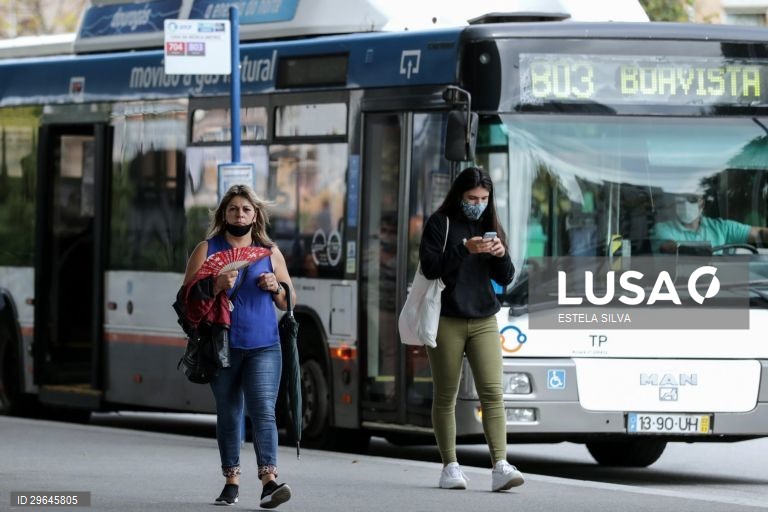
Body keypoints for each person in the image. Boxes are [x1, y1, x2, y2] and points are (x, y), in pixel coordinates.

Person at [183, 184, 296, 509]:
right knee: (230, 412)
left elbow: (289, 301)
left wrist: (277, 287)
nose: (240, 214)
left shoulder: (268, 252)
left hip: (264, 345)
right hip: (222, 346)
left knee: (263, 410)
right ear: (223, 214)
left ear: (256, 214)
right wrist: (214, 284)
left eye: (246, 209)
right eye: (233, 209)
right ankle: (231, 480)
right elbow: (186, 299)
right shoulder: (208, 249)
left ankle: (268, 481)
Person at [419, 166, 525, 492]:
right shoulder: (441, 224)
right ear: (459, 196)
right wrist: (465, 249)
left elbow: (506, 277)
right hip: (448, 319)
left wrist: (500, 253)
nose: (477, 203)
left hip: (484, 319)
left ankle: (500, 465)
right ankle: (450, 466)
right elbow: (430, 266)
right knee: (446, 394)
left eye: (483, 198)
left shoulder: (491, 226)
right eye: (471, 198)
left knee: (493, 392)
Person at [653, 192, 768, 253]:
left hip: (724, 286)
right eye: (681, 200)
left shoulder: (721, 228)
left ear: (701, 204)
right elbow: (669, 247)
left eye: (691, 199)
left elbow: (758, 234)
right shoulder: (662, 228)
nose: (685, 204)